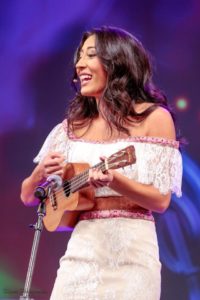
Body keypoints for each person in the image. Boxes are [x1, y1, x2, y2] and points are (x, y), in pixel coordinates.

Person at [21, 26, 183, 300]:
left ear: (116, 61)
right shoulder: (71, 128)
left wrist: (117, 181)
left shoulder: (154, 119)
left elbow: (161, 201)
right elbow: (28, 196)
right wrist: (38, 173)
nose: (79, 64)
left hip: (132, 258)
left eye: (90, 55)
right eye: (79, 57)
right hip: (80, 257)